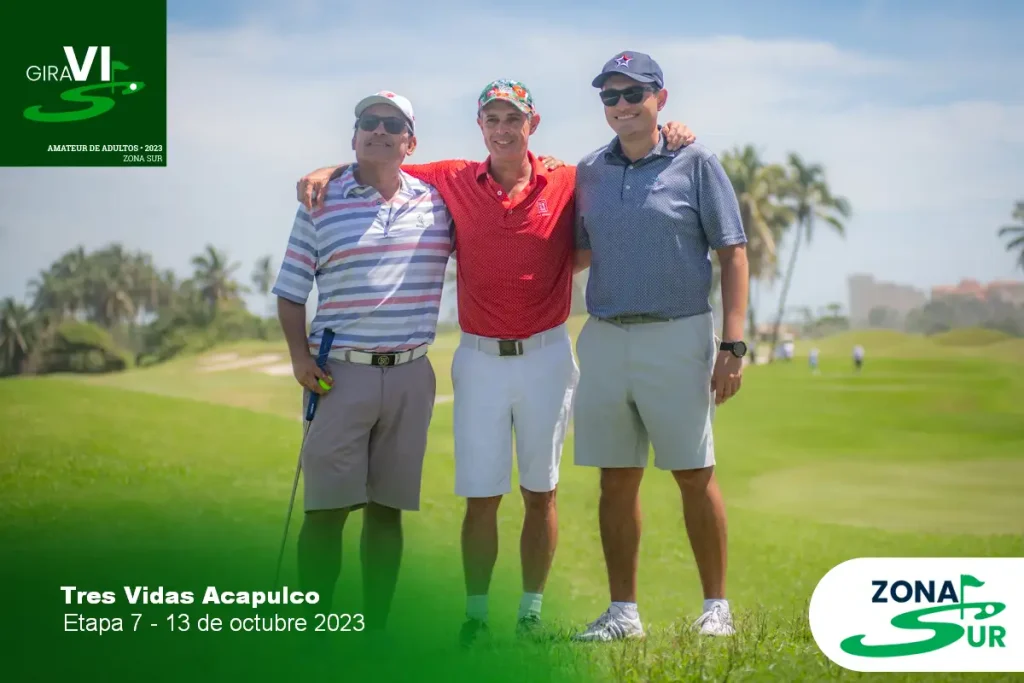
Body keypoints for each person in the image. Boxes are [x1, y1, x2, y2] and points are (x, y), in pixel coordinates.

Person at [294, 79, 696, 645]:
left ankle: (530, 614)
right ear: (480, 126)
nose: (503, 130)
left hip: (547, 356)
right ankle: (477, 617)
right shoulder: (453, 177)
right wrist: (326, 169)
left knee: (541, 491)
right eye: (492, 120)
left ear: (532, 125)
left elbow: (607, 198)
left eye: (513, 119)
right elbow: (382, 159)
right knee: (480, 496)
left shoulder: (567, 178)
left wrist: (671, 134)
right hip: (480, 359)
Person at [570, 51, 749, 641]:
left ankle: (717, 608)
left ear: (660, 99)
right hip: (605, 337)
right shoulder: (589, 171)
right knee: (616, 479)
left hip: (678, 334)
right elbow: (577, 251)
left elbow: (733, 252)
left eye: (633, 93)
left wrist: (734, 344)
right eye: (610, 96)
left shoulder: (695, 162)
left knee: (694, 473)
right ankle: (623, 615)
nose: (621, 105)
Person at [272, 91, 452, 631]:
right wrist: (299, 359)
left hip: (412, 373)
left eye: (392, 125)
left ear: (410, 143)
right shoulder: (320, 202)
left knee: (387, 511)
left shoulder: (437, 203)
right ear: (354, 136)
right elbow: (290, 291)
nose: (379, 130)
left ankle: (375, 634)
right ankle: (315, 631)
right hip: (339, 373)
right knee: (325, 511)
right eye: (368, 122)